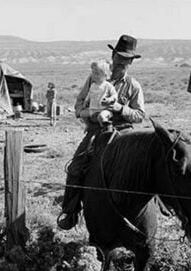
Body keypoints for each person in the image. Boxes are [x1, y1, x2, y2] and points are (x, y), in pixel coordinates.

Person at [58, 35, 145, 230]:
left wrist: (119, 108)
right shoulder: (94, 78)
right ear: (113, 55)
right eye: (119, 57)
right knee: (76, 167)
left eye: (126, 59)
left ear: (131, 62)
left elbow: (140, 115)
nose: (122, 62)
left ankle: (156, 210)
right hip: (97, 130)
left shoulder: (133, 85)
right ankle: (70, 211)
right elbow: (79, 103)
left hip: (123, 132)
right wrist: (85, 114)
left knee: (143, 167)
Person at [80, 60, 117, 128]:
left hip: (103, 109)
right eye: (93, 73)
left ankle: (105, 128)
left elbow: (114, 95)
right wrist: (86, 101)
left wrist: (109, 99)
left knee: (102, 117)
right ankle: (88, 126)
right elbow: (89, 94)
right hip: (93, 109)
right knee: (82, 114)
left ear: (105, 75)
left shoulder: (107, 86)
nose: (94, 76)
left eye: (97, 73)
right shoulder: (93, 85)